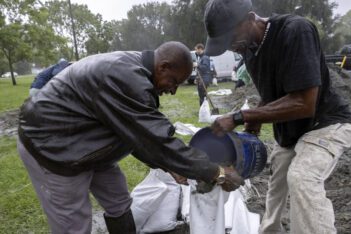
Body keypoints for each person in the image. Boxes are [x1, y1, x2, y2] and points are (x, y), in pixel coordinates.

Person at [17, 41, 244, 234]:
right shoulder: (125, 75)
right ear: (163, 67)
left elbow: (135, 133)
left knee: (118, 199)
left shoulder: (136, 72)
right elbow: (157, 139)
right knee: (73, 223)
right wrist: (218, 173)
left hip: (85, 142)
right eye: (174, 82)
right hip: (52, 147)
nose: (173, 90)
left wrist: (170, 167)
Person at [203, 0, 351, 233]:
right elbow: (271, 97)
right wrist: (247, 138)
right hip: (292, 131)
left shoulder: (295, 31)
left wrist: (239, 117)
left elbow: (304, 103)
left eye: (230, 38)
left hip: (325, 122)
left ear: (250, 19)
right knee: (277, 183)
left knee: (301, 177)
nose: (230, 47)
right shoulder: (250, 51)